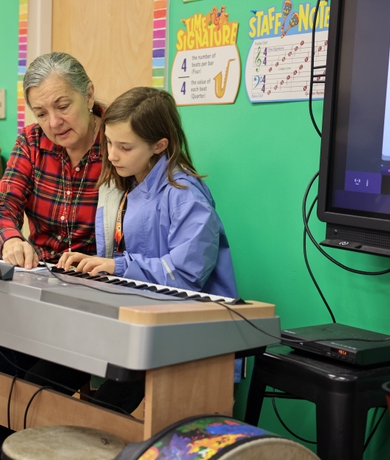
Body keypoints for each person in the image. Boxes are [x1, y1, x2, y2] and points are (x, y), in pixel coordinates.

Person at [27, 86, 238, 416]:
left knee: (99, 411)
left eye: (125, 147)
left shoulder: (184, 195)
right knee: (36, 383)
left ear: (159, 145)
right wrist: (95, 265)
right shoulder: (128, 185)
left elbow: (185, 275)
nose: (112, 155)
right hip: (141, 326)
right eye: (109, 143)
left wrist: (116, 266)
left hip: (181, 335)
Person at [0, 52, 105, 460]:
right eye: (41, 111)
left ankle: (3, 449)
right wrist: (11, 239)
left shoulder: (120, 140)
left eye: (63, 105)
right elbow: (0, 206)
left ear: (88, 95)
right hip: (41, 279)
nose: (53, 121)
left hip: (96, 292)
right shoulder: (32, 142)